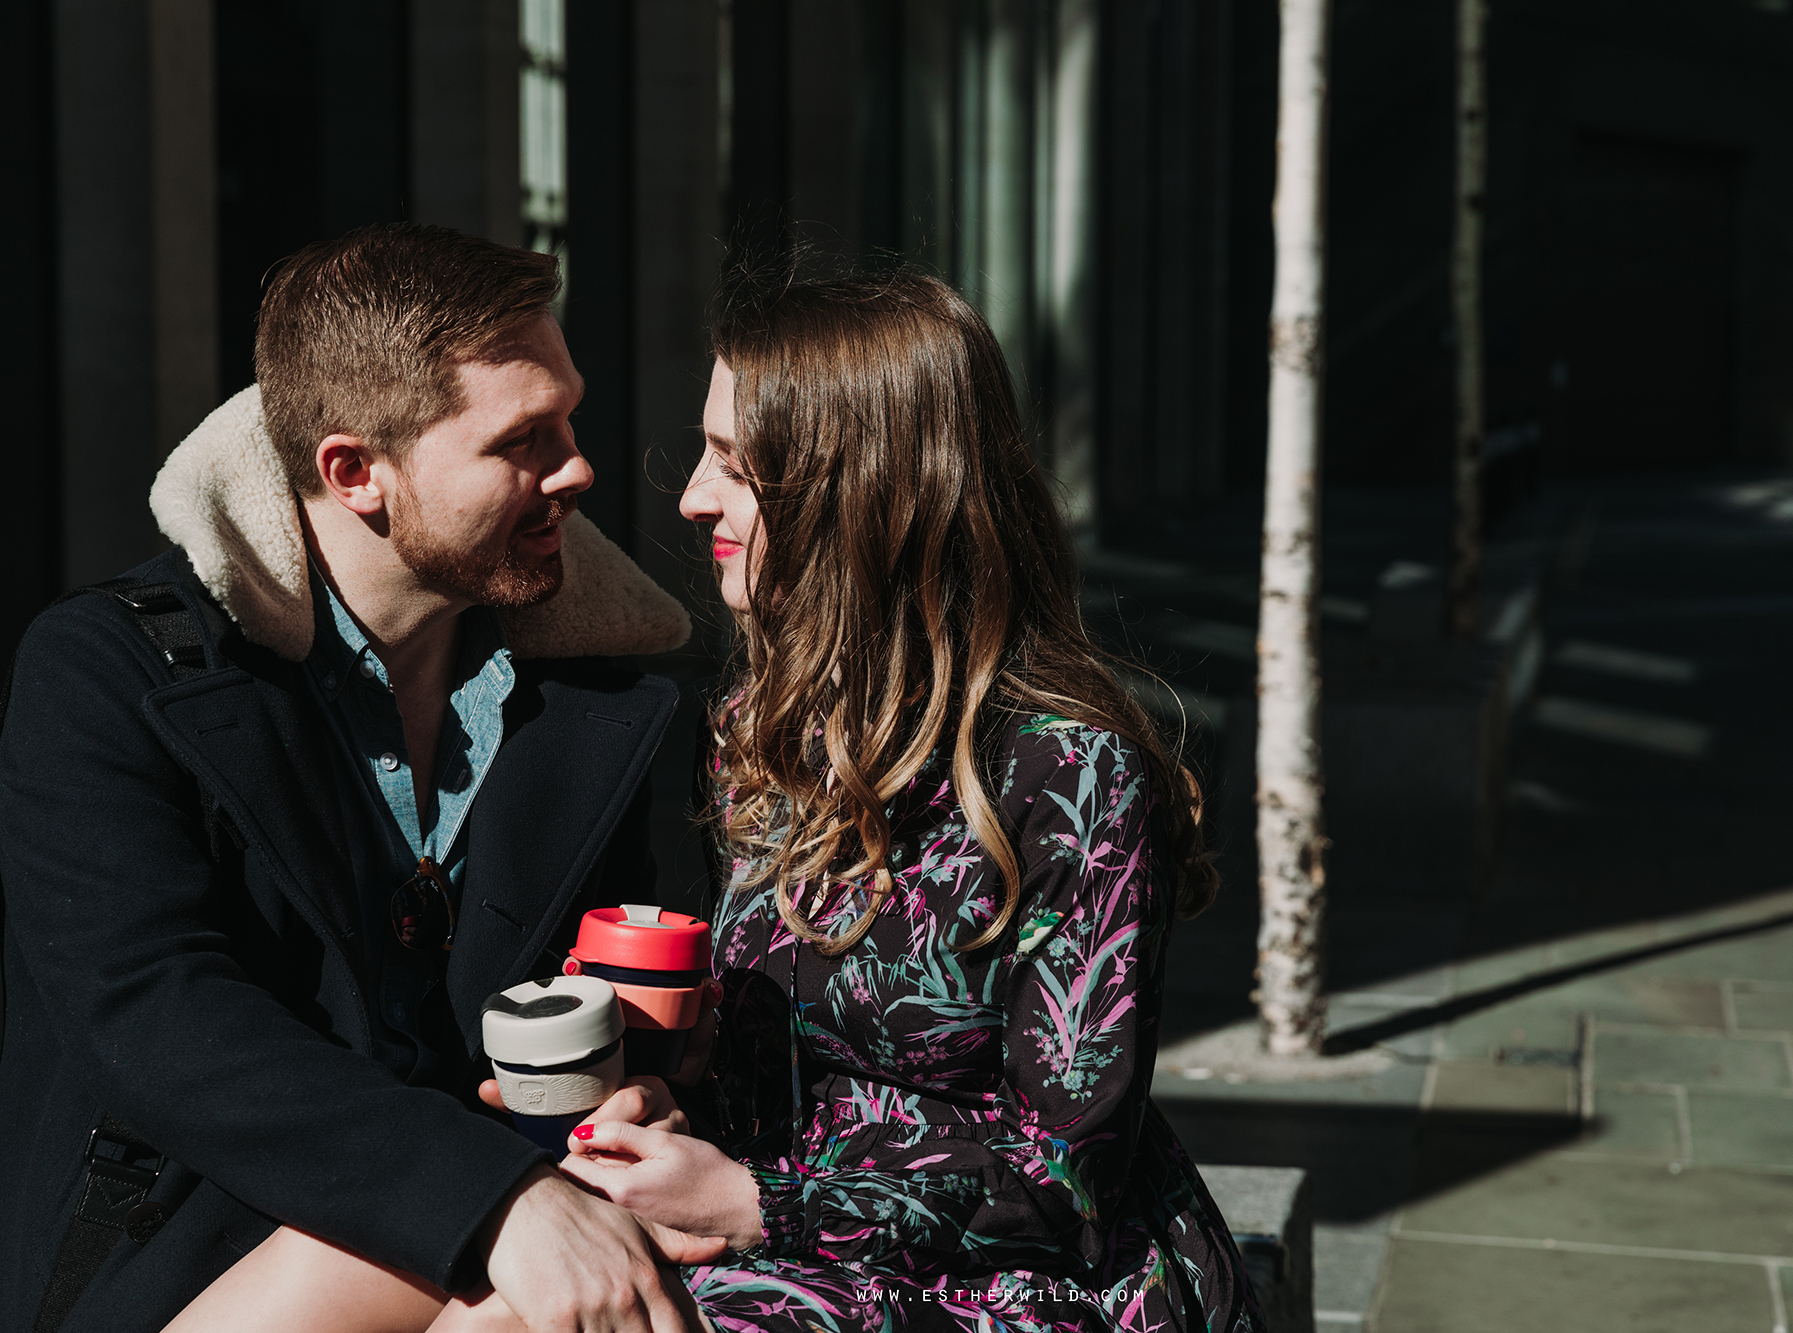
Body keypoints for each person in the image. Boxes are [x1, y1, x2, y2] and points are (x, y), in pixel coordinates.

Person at [485, 269, 1264, 1333]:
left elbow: (1067, 1181)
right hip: (793, 1249)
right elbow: (791, 1067)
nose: (690, 499)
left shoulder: (1068, 775)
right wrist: (667, 1107)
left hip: (1030, 1289)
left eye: (735, 467)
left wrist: (759, 1197)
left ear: (861, 495)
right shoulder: (766, 724)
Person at [0, 223, 715, 1333]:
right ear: (354, 472)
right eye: (521, 438)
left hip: (505, 1250)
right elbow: (157, 1014)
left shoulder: (584, 698)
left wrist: (638, 1090)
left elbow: (597, 994)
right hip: (192, 1263)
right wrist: (495, 1199)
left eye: (568, 416)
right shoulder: (110, 671)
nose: (576, 466)